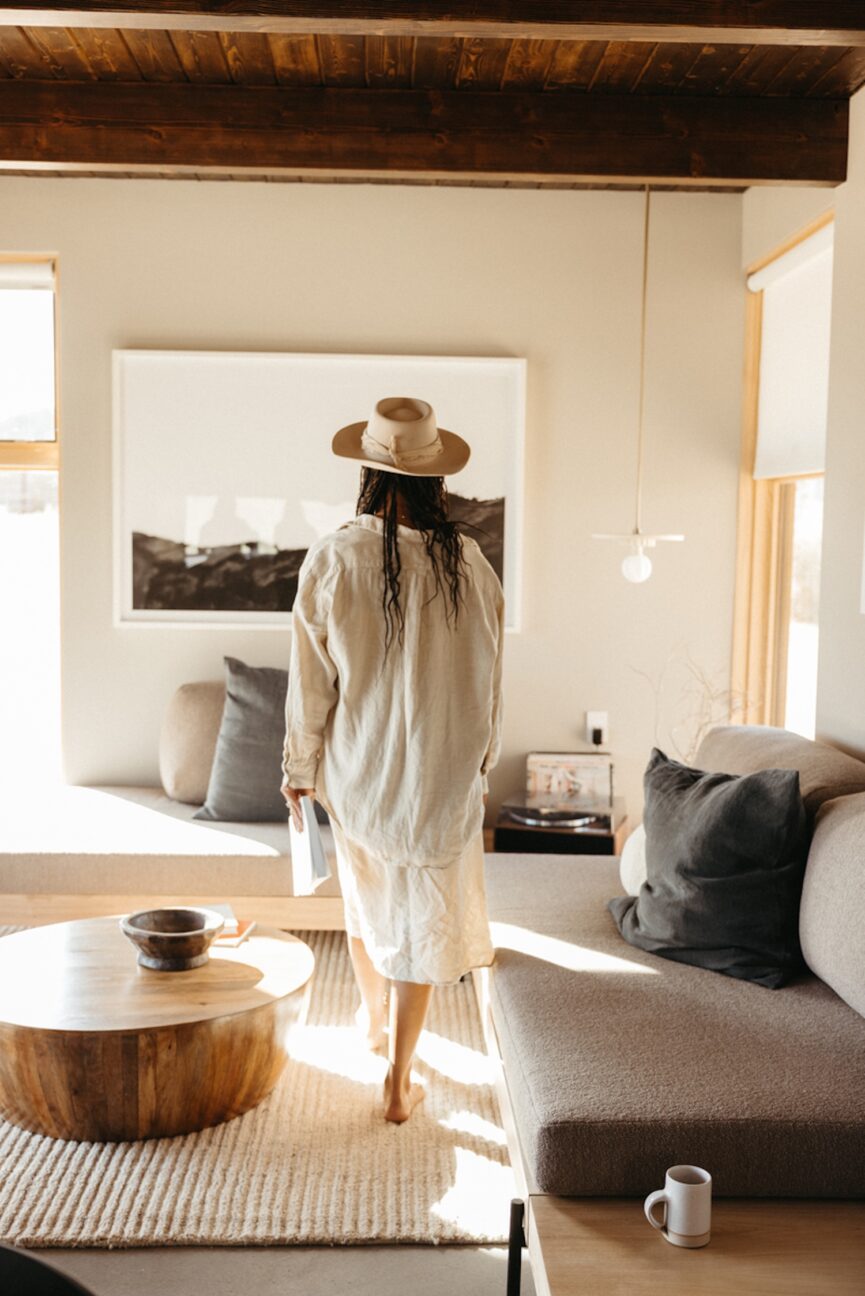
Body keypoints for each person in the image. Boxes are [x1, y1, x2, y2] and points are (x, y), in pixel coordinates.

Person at [281, 396, 504, 1124]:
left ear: (369, 475)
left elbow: (310, 682)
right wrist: (480, 761)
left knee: (365, 901)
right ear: (435, 480)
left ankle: (376, 1031)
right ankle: (398, 1076)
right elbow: (492, 674)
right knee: (422, 927)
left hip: (360, 774)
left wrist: (299, 768)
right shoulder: (468, 562)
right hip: (441, 778)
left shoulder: (334, 556)